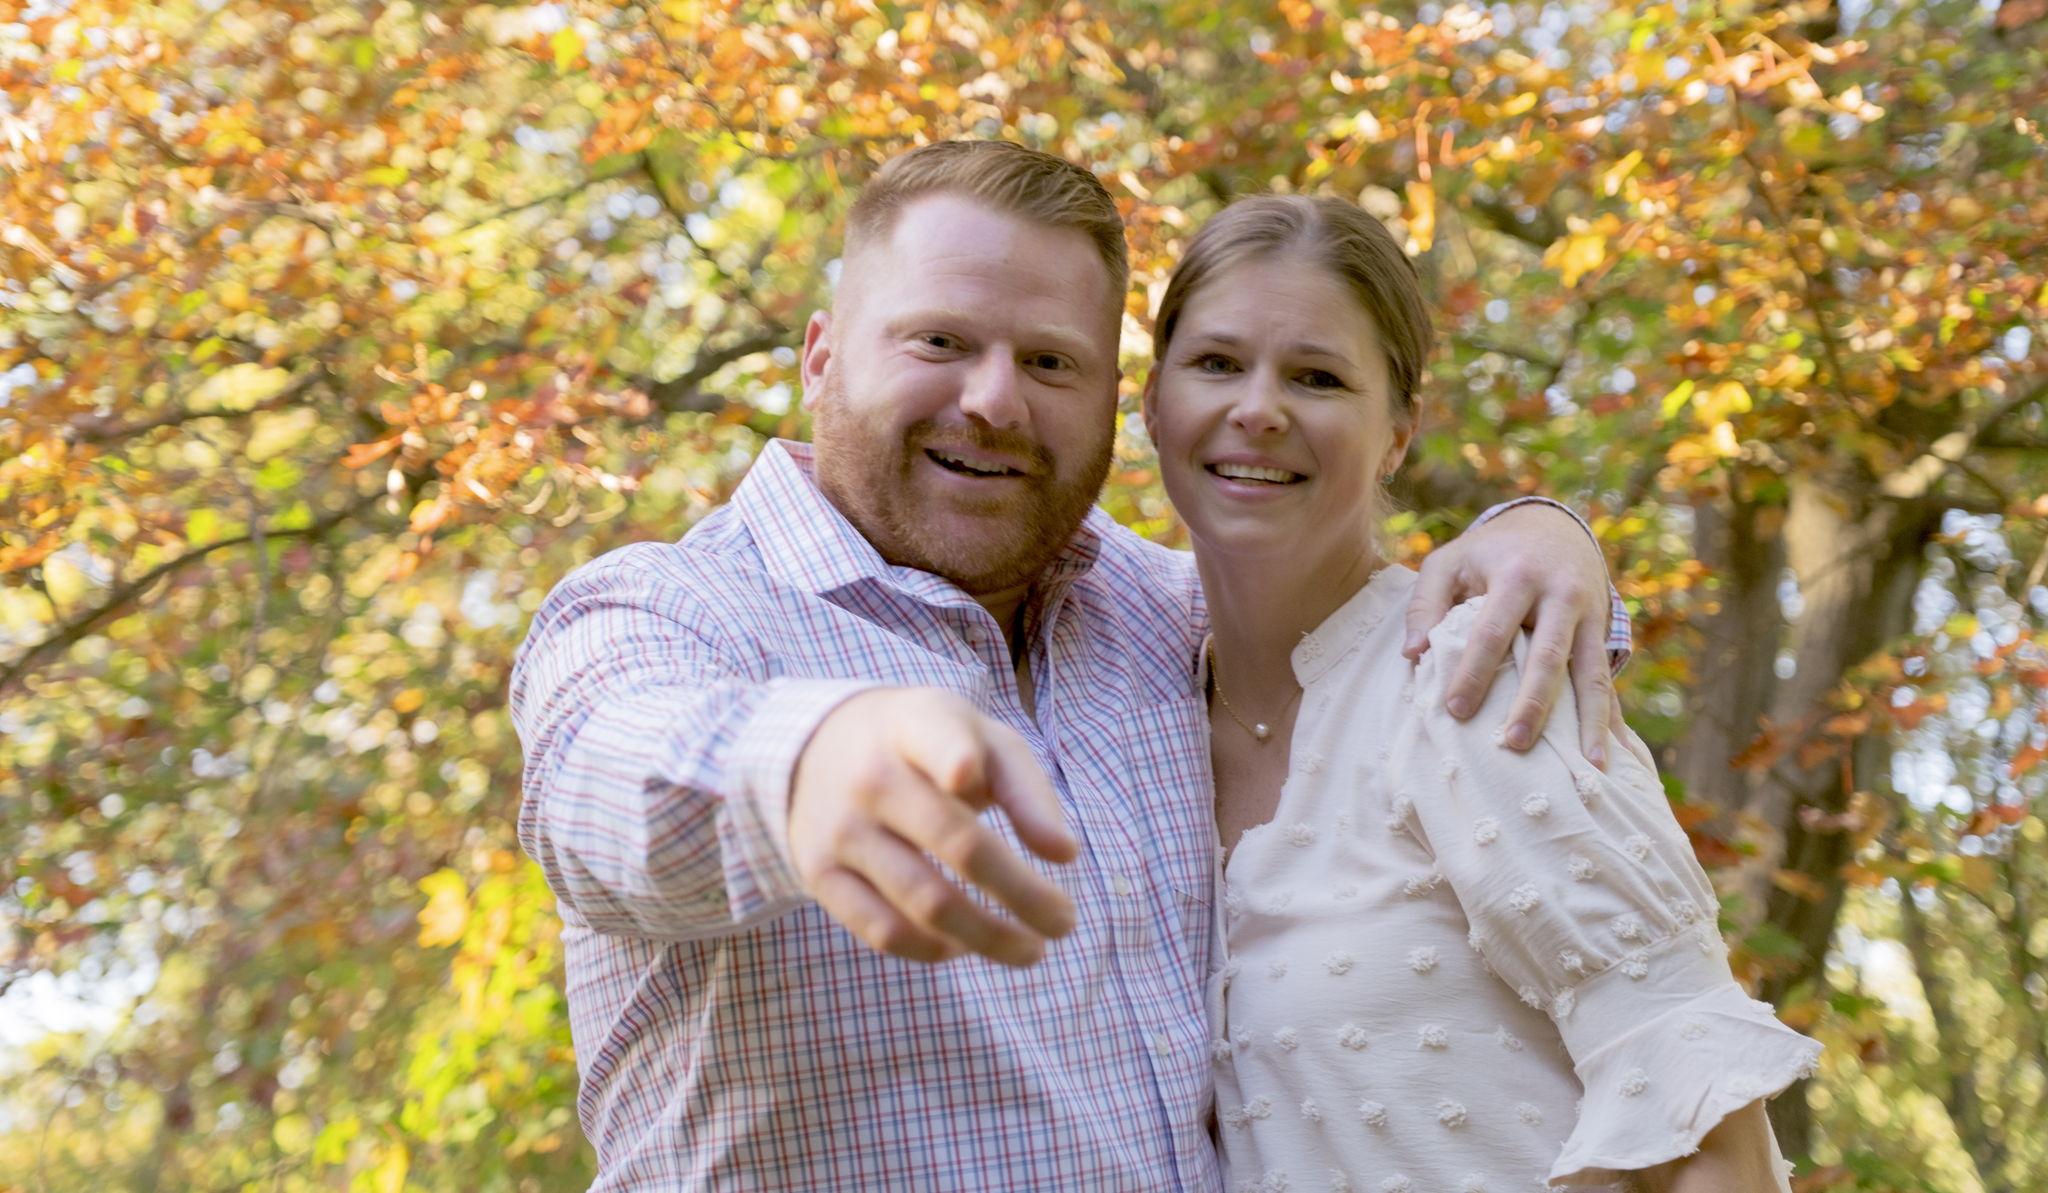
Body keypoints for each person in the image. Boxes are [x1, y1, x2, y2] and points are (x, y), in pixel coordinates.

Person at [510, 140, 1627, 1189]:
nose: (993, 401)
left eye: (1049, 361)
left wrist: (1536, 534)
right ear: (821, 355)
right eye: (939, 342)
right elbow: (606, 775)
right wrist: (802, 765)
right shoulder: (672, 611)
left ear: (1114, 401)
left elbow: (1398, 632)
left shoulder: (1163, 615)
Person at [1140, 193, 1820, 1192]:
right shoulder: (1127, 701)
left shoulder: (1470, 672)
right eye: (1215, 362)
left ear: (1398, 431)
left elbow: (1701, 1113)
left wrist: (1545, 523)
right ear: (1151, 401)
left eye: (1317, 376)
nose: (1258, 408)